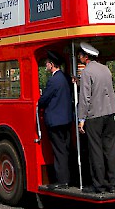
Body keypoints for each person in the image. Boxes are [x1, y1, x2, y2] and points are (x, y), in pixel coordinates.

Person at [76, 42, 115, 194]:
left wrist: (81, 119)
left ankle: (98, 185)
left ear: (86, 57)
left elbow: (85, 98)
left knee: (96, 151)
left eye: (80, 56)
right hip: (110, 113)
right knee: (110, 149)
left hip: (95, 115)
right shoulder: (105, 68)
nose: (79, 58)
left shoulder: (87, 72)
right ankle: (112, 183)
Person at [38, 51, 73, 189]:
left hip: (55, 121)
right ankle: (69, 178)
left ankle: (62, 180)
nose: (46, 65)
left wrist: (40, 101)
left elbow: (44, 100)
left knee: (59, 151)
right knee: (65, 149)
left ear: (52, 65)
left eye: (47, 63)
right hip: (66, 119)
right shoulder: (65, 78)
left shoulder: (53, 80)